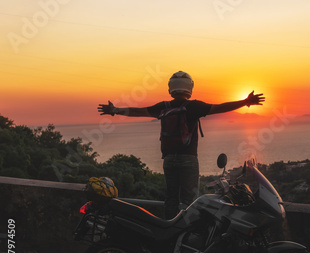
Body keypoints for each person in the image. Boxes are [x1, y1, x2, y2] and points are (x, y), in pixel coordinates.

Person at [98, 70, 265, 219]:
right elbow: (221, 107)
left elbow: (138, 111)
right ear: (189, 87)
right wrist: (245, 101)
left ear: (171, 87)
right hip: (188, 159)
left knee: (171, 199)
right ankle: (188, 237)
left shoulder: (163, 106)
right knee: (190, 201)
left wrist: (115, 110)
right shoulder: (194, 106)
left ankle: (167, 233)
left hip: (168, 159)